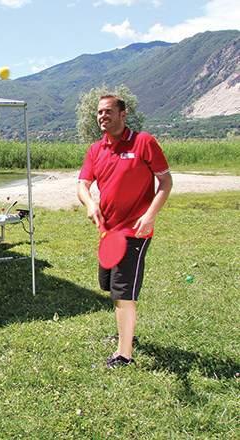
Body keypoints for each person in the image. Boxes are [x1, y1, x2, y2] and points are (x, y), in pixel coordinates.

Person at [77, 95, 172, 369]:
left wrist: (150, 215)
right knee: (107, 285)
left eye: (108, 111)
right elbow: (82, 184)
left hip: (135, 232)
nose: (102, 116)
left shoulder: (144, 142)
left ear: (123, 114)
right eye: (99, 112)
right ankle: (125, 333)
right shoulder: (96, 150)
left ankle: (124, 354)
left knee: (123, 294)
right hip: (108, 233)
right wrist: (90, 202)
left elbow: (166, 181)